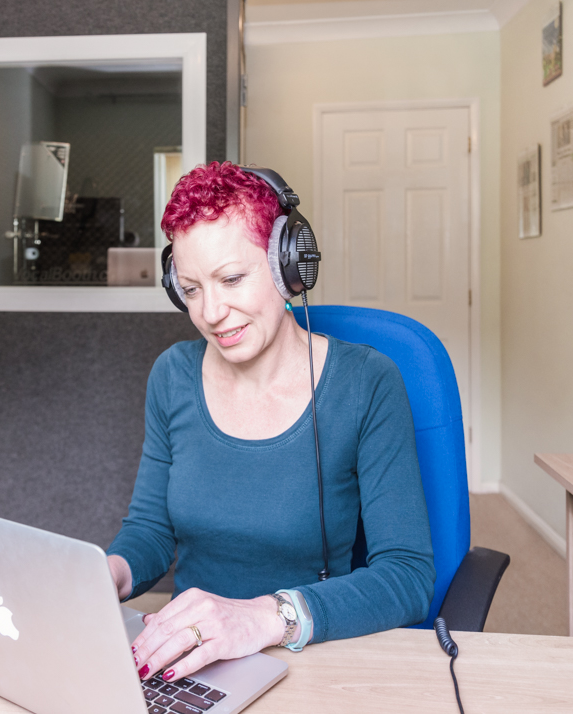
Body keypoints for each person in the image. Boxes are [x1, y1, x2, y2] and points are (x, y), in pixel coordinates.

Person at [105, 161, 435, 685]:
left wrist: (261, 619)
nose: (212, 311)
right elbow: (151, 530)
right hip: (188, 664)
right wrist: (109, 573)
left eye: (231, 278)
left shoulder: (367, 383)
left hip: (312, 661)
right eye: (190, 289)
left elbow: (407, 577)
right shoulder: (172, 374)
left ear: (289, 265)